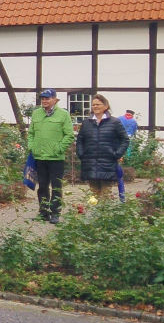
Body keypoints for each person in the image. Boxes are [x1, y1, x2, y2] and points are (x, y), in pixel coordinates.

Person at [27, 89, 75, 224]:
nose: (44, 101)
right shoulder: (36, 114)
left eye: (47, 98)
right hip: (40, 157)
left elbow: (69, 135)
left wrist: (59, 148)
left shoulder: (63, 114)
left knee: (56, 186)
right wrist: (32, 146)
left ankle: (55, 213)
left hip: (56, 158)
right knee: (42, 186)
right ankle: (43, 212)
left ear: (54, 99)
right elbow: (31, 133)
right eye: (42, 98)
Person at [75, 94, 128, 198]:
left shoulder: (114, 122)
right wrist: (81, 154)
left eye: (98, 104)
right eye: (93, 105)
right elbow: (80, 140)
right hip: (90, 164)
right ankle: (94, 214)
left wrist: (117, 154)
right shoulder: (86, 123)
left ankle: (104, 214)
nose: (95, 107)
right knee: (93, 196)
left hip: (107, 163)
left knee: (105, 195)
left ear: (105, 106)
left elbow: (125, 140)